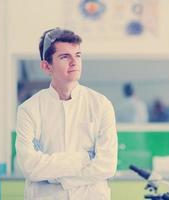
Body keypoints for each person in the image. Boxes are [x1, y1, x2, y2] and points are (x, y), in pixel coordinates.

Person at [15, 27, 118, 200]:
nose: (74, 62)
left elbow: (106, 166)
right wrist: (82, 158)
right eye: (65, 57)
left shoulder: (101, 105)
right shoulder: (29, 110)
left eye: (77, 55)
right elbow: (30, 167)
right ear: (46, 66)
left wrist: (57, 177)